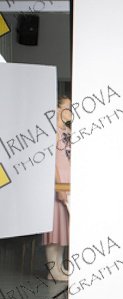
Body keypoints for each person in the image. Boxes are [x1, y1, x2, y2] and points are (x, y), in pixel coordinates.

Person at [41, 94, 72, 282]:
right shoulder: (52, 132)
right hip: (56, 186)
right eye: (68, 107)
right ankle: (52, 271)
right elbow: (51, 163)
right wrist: (58, 187)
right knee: (54, 230)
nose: (72, 111)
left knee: (63, 230)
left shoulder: (66, 132)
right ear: (58, 109)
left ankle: (59, 268)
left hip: (68, 186)